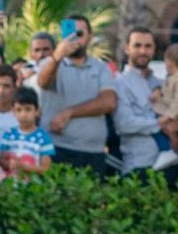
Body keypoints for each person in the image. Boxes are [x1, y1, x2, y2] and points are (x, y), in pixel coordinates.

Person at [35, 15, 117, 175]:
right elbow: (43, 82)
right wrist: (57, 57)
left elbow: (109, 102)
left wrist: (69, 113)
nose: (74, 39)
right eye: (70, 33)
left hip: (93, 152)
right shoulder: (50, 63)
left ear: (89, 38)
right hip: (56, 148)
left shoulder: (101, 68)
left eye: (79, 34)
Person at [115, 28, 178, 174]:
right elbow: (124, 123)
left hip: (170, 164)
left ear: (154, 49)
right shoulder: (119, 83)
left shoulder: (160, 82)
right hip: (139, 165)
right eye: (137, 46)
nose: (143, 51)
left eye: (148, 46)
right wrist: (159, 124)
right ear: (127, 48)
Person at [0, 87, 55, 177]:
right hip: (9, 183)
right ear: (13, 112)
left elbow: (46, 169)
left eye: (28, 109)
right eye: (19, 110)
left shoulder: (44, 138)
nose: (23, 115)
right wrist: (8, 163)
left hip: (34, 184)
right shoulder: (8, 134)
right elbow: (2, 162)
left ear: (37, 111)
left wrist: (24, 167)